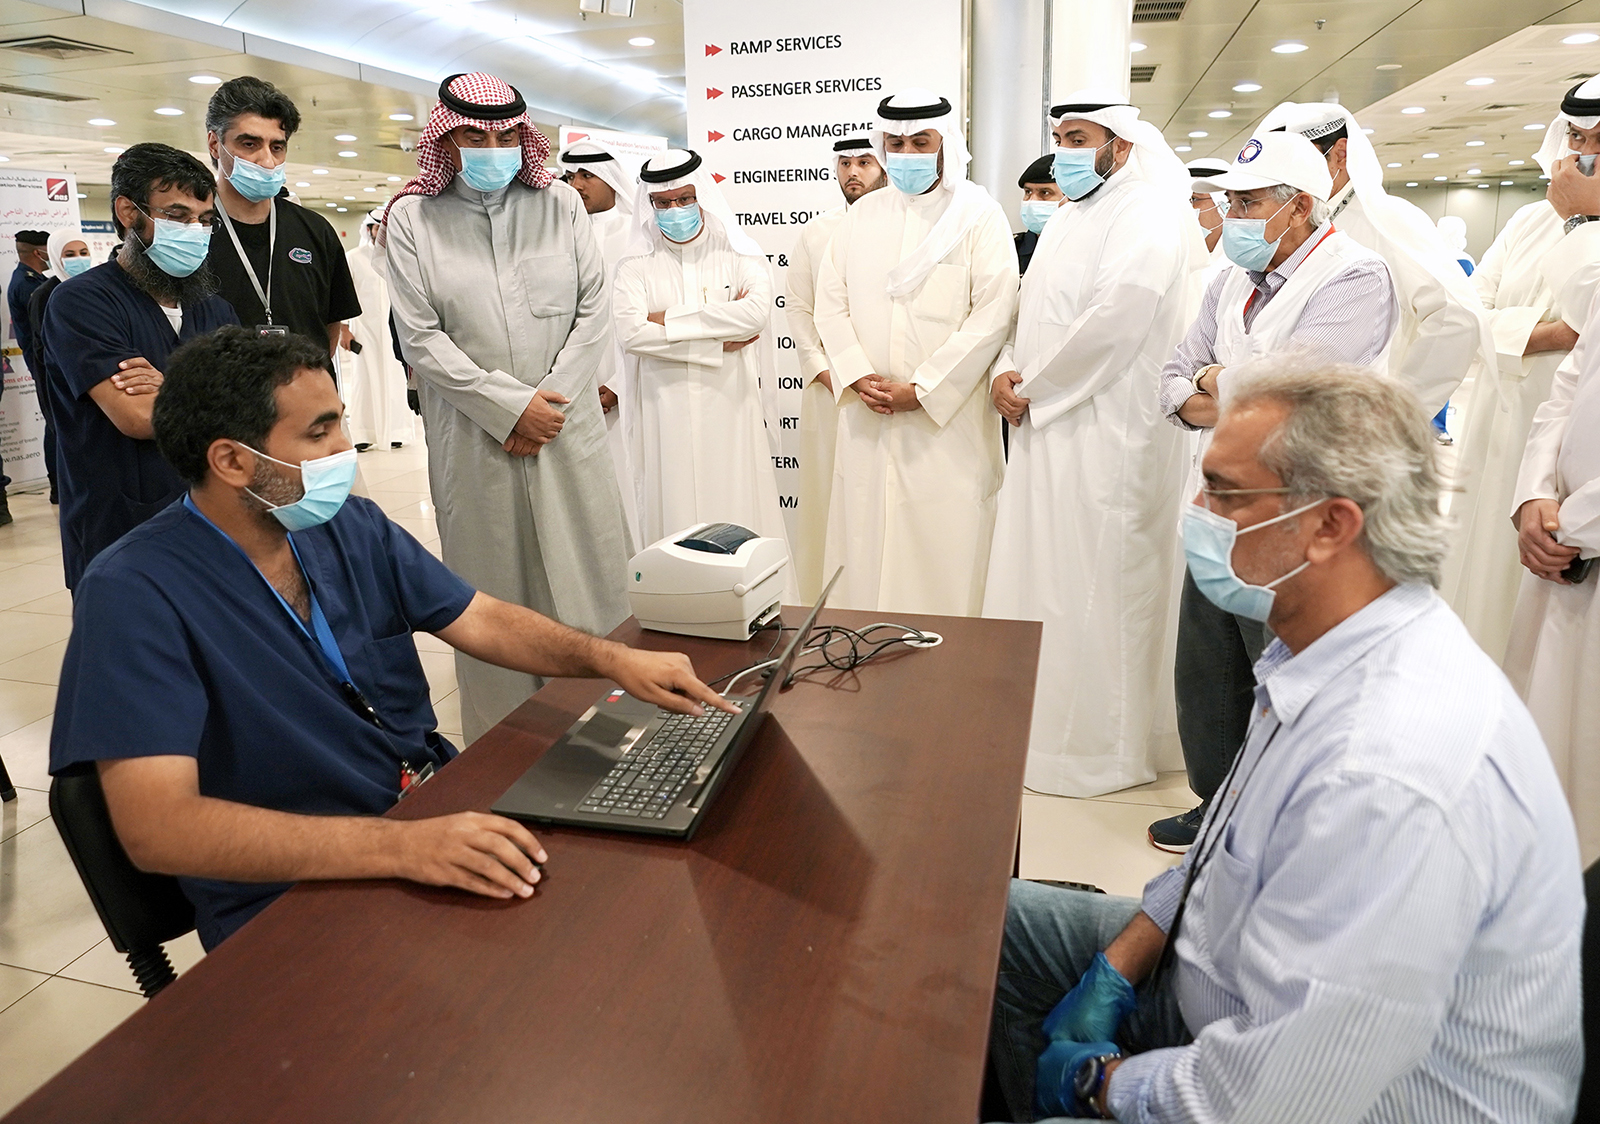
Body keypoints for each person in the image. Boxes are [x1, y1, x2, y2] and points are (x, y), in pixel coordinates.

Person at [988, 361, 1582, 1124]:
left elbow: (1275, 1098)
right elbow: (1218, 855)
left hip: (1337, 1101)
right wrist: (1117, 964)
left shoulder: (1385, 768)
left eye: (1224, 493)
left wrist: (1097, 1086)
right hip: (1232, 990)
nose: (1197, 512)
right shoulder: (1321, 648)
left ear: (1331, 525)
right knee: (976, 921)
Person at [50, 328, 733, 951]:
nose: (344, 451)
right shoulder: (135, 591)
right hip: (294, 894)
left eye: (342, 423)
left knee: (634, 906)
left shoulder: (351, 527)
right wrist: (401, 848)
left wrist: (611, 658)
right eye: (319, 434)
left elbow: (480, 618)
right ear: (231, 460)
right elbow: (160, 829)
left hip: (428, 816)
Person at [1150, 130, 1398, 851]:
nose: (1233, 217)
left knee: (1288, 673)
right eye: (1230, 203)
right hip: (1219, 509)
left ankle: (1288, 824)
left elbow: (1290, 391)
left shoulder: (1355, 276)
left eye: (1249, 203)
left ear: (1301, 207)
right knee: (1211, 671)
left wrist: (1216, 383)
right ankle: (1217, 804)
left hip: (1300, 515)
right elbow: (1172, 379)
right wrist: (1223, 385)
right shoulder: (1230, 279)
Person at [384, 73, 633, 746]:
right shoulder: (412, 219)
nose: (491, 149)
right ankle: (505, 752)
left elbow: (593, 312)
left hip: (565, 431)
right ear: (446, 139)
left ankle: (612, 735)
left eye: (504, 137)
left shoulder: (561, 205)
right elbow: (420, 338)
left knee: (588, 583)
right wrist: (509, 409)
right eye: (473, 136)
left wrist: (546, 405)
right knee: (492, 598)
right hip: (475, 438)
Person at [982, 94, 1195, 798]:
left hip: (1110, 432)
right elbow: (1030, 312)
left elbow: (1115, 323)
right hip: (1047, 422)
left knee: (1100, 585)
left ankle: (1100, 751)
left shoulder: (1147, 214)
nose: (1065, 151)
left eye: (1078, 138)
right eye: (1060, 137)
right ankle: (1040, 735)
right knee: (1046, 580)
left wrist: (1035, 387)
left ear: (1121, 146)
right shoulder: (1074, 214)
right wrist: (1008, 368)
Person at [813, 88, 1018, 615]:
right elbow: (830, 303)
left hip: (945, 427)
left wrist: (923, 390)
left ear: (945, 143)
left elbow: (993, 315)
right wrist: (856, 374)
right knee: (863, 547)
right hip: (868, 415)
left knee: (943, 554)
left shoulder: (979, 215)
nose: (906, 154)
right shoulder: (862, 216)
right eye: (896, 143)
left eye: (920, 142)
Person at [1444, 83, 1600, 664]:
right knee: (1481, 564)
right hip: (1497, 428)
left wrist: (1582, 220)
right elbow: (1468, 315)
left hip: (1571, 456)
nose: (1584, 154)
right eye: (1577, 137)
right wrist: (1553, 334)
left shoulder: (1576, 221)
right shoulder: (1530, 220)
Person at [41, 143, 239, 590]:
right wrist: (214, 397)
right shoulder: (82, 303)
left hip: (215, 519)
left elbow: (252, 411)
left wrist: (169, 388)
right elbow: (137, 417)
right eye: (176, 216)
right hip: (121, 525)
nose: (194, 231)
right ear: (129, 213)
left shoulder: (215, 309)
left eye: (204, 220)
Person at [612, 147, 793, 576]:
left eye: (684, 198)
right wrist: (713, 344)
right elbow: (632, 333)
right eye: (663, 203)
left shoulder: (739, 251)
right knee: (671, 514)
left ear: (702, 196)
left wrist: (666, 319)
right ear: (650, 205)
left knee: (737, 504)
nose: (675, 210)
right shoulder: (636, 263)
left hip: (731, 406)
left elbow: (754, 315)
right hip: (664, 410)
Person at [1263, 101, 1491, 420]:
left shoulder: (1387, 218)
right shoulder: (1287, 219)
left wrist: (1396, 415)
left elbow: (1456, 318)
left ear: (1340, 154)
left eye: (1301, 158)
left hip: (1353, 428)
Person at [1504, 273, 1600, 865]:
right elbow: (1571, 381)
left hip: (1575, 536)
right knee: (1546, 752)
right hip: (1563, 548)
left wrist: (1574, 523)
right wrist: (1535, 492)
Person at [786, 135, 885, 603]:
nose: (853, 172)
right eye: (845, 163)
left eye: (865, 162)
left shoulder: (909, 230)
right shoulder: (817, 232)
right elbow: (799, 308)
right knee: (825, 498)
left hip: (887, 390)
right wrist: (826, 371)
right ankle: (822, 604)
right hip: (830, 390)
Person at [204, 76, 361, 354]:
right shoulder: (191, 232)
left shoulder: (315, 231)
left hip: (306, 381)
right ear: (215, 144)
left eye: (277, 147)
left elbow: (329, 325)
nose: (267, 161)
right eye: (249, 144)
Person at [559, 137, 644, 544]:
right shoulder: (557, 233)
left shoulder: (638, 236)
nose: (576, 184)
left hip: (630, 388)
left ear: (612, 179)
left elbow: (646, 320)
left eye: (587, 175)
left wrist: (618, 385)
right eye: (571, 175)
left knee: (632, 489)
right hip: (570, 389)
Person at [24, 229, 94, 505]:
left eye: (83, 253)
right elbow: (43, 351)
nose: (79, 259)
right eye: (70, 254)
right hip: (62, 384)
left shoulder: (96, 287)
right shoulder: (44, 295)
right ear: (55, 257)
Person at [342, 211, 413, 450]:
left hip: (395, 331)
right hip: (365, 330)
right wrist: (343, 328)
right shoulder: (354, 258)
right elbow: (344, 295)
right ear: (369, 229)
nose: (382, 232)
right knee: (364, 381)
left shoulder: (401, 256)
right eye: (377, 227)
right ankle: (364, 433)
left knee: (395, 380)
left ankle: (396, 432)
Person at [4, 228, 51, 519]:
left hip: (44, 362)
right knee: (56, 425)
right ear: (38, 252)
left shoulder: (33, 280)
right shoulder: (26, 283)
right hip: (44, 363)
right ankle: (59, 487)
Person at [1013, 155, 1063, 275]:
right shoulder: (1011, 248)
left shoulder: (1084, 248)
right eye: (1028, 192)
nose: (1032, 200)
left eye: (1045, 192)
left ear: (1069, 199)